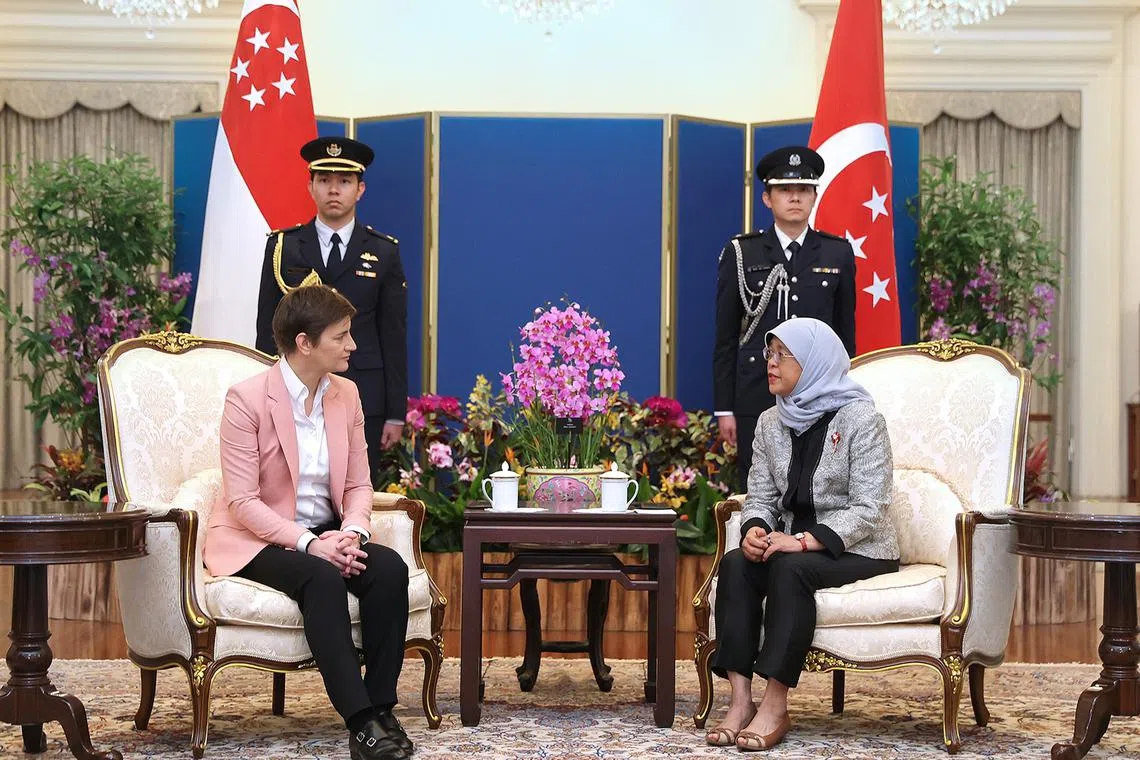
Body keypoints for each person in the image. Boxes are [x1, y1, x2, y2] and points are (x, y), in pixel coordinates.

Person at [207, 285, 413, 760]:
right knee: (320, 577)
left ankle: (382, 709)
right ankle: (360, 724)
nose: (352, 345)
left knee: (387, 570)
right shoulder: (247, 400)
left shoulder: (347, 394)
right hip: (254, 538)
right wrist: (308, 543)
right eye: (341, 336)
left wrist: (352, 533)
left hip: (326, 531)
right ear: (305, 343)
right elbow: (242, 502)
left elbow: (359, 484)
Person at [705, 317, 898, 752]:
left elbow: (871, 507)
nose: (769, 364)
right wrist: (756, 530)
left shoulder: (862, 419)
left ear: (812, 363)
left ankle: (775, 705)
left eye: (780, 356)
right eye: (768, 355)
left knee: (791, 569)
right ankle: (740, 702)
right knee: (737, 563)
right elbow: (761, 499)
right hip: (793, 544)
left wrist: (805, 541)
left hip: (860, 546)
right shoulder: (772, 422)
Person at [255, 136, 408, 481]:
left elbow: (394, 336)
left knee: (352, 485)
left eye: (344, 181)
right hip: (295, 391)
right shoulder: (284, 246)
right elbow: (267, 329)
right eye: (324, 180)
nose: (334, 190)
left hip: (363, 391)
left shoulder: (384, 252)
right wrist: (266, 395)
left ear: (360, 188)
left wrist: (395, 413)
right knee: (291, 482)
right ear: (310, 186)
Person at [713, 146, 857, 494]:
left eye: (804, 190)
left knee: (816, 486)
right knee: (758, 488)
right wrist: (724, 410)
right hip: (755, 391)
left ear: (814, 196)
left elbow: (845, 338)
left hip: (820, 395)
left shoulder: (837, 253)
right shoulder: (741, 252)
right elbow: (726, 338)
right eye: (784, 190)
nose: (795, 198)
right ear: (767, 198)